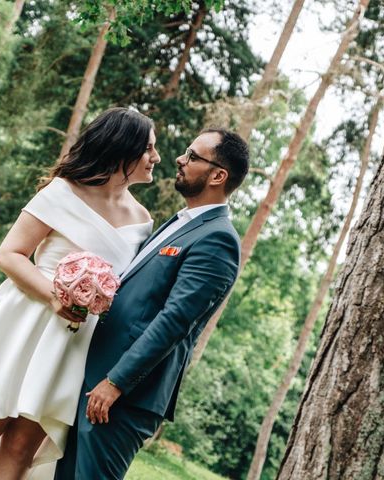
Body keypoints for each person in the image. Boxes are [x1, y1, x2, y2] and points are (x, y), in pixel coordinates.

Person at [0, 107, 160, 480]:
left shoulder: (142, 220)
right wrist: (55, 296)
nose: (156, 158)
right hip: (26, 319)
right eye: (148, 148)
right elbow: (10, 254)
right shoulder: (63, 191)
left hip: (73, 341)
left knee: (21, 447)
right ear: (123, 148)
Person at [54, 128, 250, 479]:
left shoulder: (218, 239)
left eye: (192, 156)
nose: (179, 158)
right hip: (96, 380)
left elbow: (174, 321)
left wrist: (116, 382)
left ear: (218, 176)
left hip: (123, 396)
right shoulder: (180, 223)